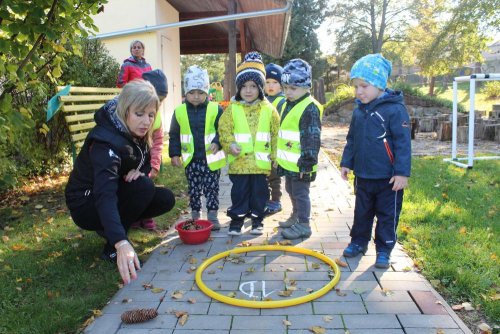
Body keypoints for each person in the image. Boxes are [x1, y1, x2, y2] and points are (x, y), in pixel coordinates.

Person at [65, 80, 176, 284]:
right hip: (85, 203)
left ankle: (111, 228)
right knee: (143, 188)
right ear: (125, 110)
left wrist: (139, 171)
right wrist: (120, 241)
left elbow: (142, 159)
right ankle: (111, 246)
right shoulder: (104, 142)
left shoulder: (133, 131)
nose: (146, 121)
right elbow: (104, 194)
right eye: (139, 114)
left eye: (151, 115)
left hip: (109, 192)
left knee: (165, 198)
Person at [340, 53, 411, 269]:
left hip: (389, 179)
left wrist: (401, 172)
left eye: (364, 85)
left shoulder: (395, 110)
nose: (359, 91)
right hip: (363, 175)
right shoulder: (359, 111)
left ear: (379, 84)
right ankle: (358, 242)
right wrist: (346, 162)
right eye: (356, 87)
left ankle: (384, 249)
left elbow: (402, 143)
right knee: (362, 213)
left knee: (387, 216)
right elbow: (351, 139)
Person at [219, 52, 280, 236]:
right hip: (239, 164)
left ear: (260, 88)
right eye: (243, 86)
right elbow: (224, 130)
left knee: (260, 194)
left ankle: (257, 220)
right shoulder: (232, 109)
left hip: (261, 165)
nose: (248, 90)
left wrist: (276, 156)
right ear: (238, 88)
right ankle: (237, 220)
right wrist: (229, 145)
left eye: (253, 86)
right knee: (239, 194)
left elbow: (276, 134)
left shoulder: (269, 110)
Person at [169, 65, 225, 230]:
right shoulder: (179, 111)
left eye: (200, 93)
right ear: (185, 92)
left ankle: (213, 217)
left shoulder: (216, 109)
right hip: (191, 160)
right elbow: (174, 134)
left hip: (211, 159)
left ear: (207, 92)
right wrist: (174, 154)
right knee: (194, 189)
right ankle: (195, 217)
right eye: (192, 92)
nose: (196, 96)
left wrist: (218, 142)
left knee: (211, 188)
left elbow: (223, 130)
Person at [277, 59, 323, 240]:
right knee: (290, 189)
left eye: (293, 88)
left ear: (307, 87)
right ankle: (295, 216)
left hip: (302, 164)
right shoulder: (289, 103)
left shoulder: (309, 108)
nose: (288, 92)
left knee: (301, 194)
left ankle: (304, 224)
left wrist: (306, 163)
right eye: (285, 87)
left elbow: (311, 138)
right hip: (290, 163)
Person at [264, 63, 286, 216]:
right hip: (262, 145)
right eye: (267, 82)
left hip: (275, 145)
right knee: (263, 174)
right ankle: (265, 200)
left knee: (274, 175)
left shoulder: (282, 102)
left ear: (281, 85)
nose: (270, 86)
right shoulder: (262, 100)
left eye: (275, 82)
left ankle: (276, 200)